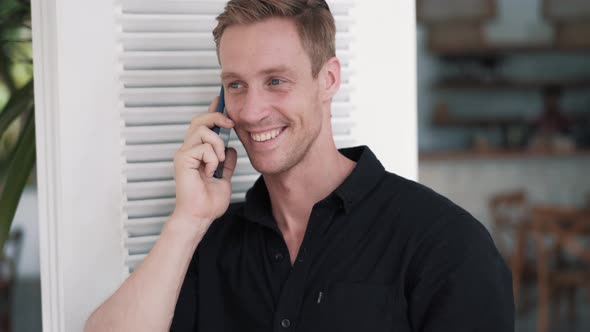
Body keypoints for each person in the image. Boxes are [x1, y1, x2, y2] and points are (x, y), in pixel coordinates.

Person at [85, 1, 514, 331]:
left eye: (276, 81)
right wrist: (187, 220)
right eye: (236, 85)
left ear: (327, 80)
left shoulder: (447, 243)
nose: (251, 111)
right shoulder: (209, 244)